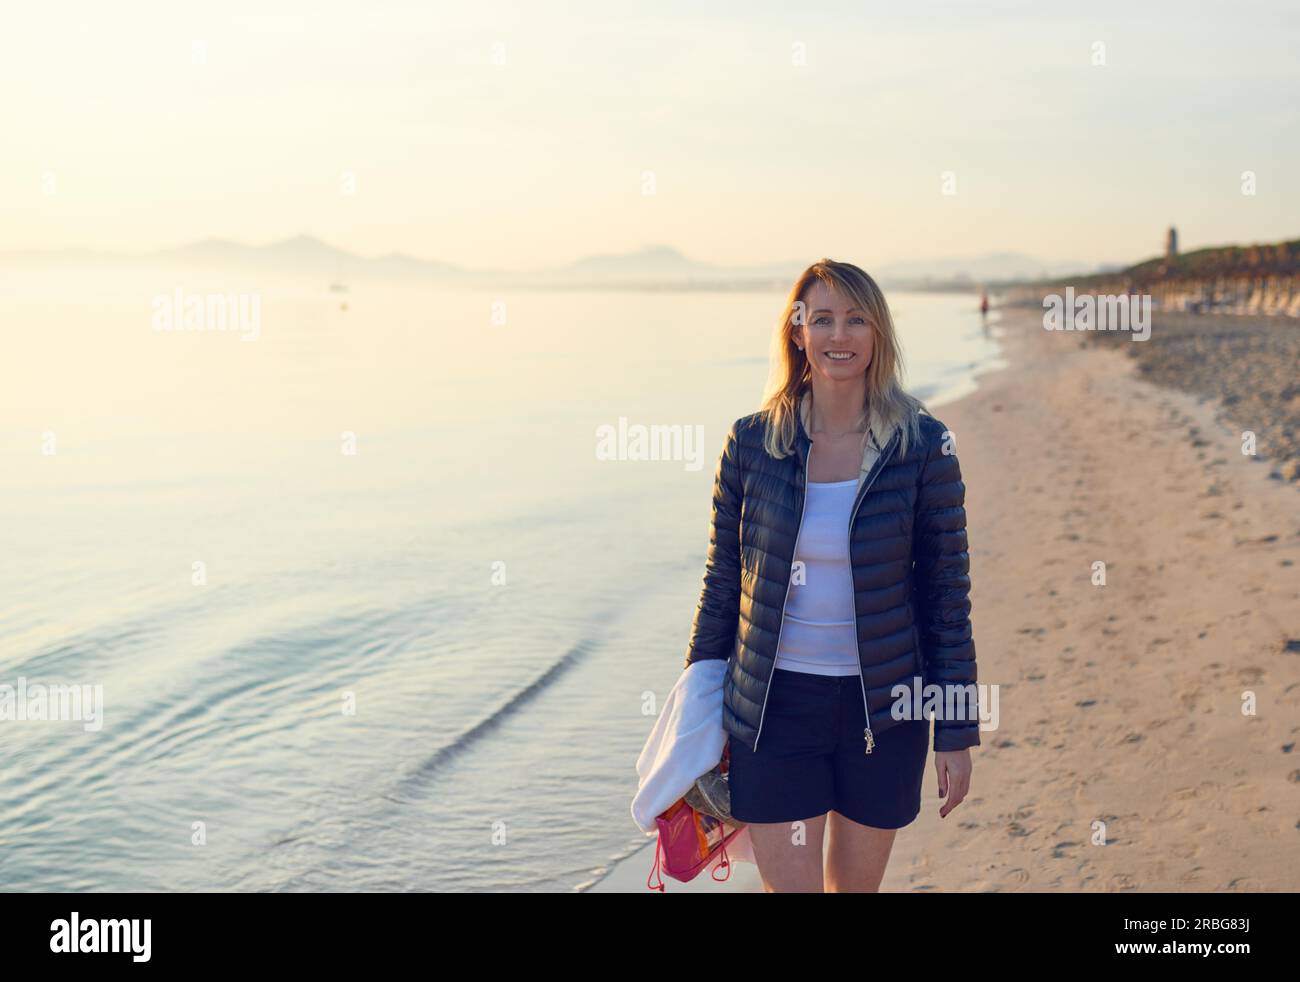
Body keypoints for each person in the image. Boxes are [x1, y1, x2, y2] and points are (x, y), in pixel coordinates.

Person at [683, 258, 979, 892]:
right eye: (822, 319)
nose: (839, 335)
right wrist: (694, 711)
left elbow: (946, 598)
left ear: (878, 335)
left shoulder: (923, 446)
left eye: (856, 319)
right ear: (797, 333)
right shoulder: (752, 444)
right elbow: (721, 585)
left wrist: (956, 729)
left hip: (887, 713)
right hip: (774, 710)